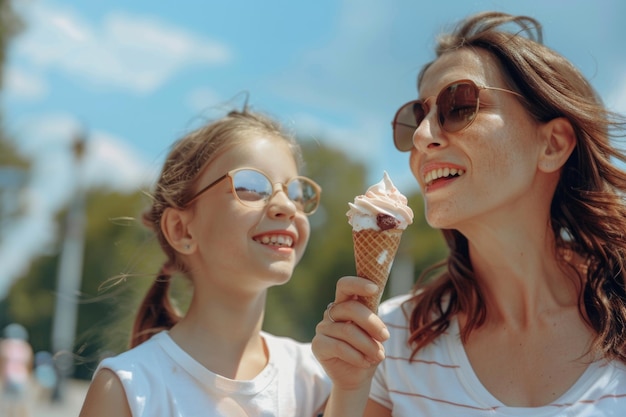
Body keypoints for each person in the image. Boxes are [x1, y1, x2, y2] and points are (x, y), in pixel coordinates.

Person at [312, 11, 626, 416]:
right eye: (414, 118)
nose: (422, 137)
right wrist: (350, 391)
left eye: (458, 105)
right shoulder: (391, 336)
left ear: (552, 145)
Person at [78, 106, 330, 416]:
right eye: (251, 186)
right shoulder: (127, 390)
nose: (286, 206)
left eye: (296, 193)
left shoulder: (320, 379)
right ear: (181, 229)